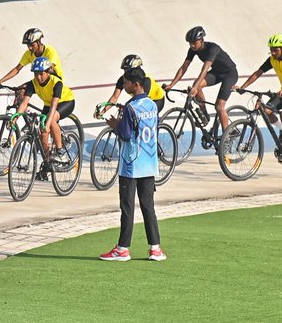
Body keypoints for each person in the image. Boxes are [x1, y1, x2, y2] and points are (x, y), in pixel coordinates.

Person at [100, 68, 166, 261]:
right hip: (149, 162)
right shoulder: (152, 105)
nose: (124, 85)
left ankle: (122, 249)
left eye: (126, 82)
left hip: (131, 164)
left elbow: (126, 135)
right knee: (148, 206)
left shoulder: (131, 107)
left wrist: (116, 125)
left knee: (127, 207)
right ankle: (155, 249)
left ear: (135, 84)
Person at [237, 34, 282, 163]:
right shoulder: (272, 60)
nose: (273, 52)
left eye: (275, 50)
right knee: (265, 111)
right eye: (271, 50)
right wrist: (242, 87)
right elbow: (258, 73)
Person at [165, 25, 239, 135]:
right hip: (217, 73)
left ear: (202, 40)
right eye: (190, 43)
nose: (192, 45)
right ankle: (204, 115)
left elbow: (205, 69)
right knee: (197, 85)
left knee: (219, 106)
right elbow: (184, 67)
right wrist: (172, 84)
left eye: (194, 42)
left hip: (230, 74)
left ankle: (227, 134)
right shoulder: (192, 50)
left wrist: (195, 87)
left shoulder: (212, 48)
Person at [13, 57, 74, 178]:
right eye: (36, 74)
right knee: (43, 134)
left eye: (41, 74)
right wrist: (15, 119)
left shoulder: (56, 82)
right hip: (48, 103)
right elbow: (24, 102)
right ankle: (48, 163)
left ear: (47, 72)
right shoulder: (33, 83)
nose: (38, 77)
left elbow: (54, 106)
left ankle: (60, 150)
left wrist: (47, 124)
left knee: (50, 122)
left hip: (65, 102)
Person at [0, 27, 64, 87]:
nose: (29, 48)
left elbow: (50, 68)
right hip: (39, 81)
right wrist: (0, 81)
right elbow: (17, 69)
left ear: (38, 42)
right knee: (20, 91)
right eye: (28, 45)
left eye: (32, 45)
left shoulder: (50, 50)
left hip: (54, 82)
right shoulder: (29, 53)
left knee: (24, 89)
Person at [97, 54, 166, 117]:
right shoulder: (123, 79)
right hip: (143, 100)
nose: (125, 72)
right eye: (125, 70)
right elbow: (114, 97)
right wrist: (103, 111)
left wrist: (127, 107)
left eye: (128, 70)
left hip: (157, 100)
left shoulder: (145, 80)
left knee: (144, 118)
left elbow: (142, 100)